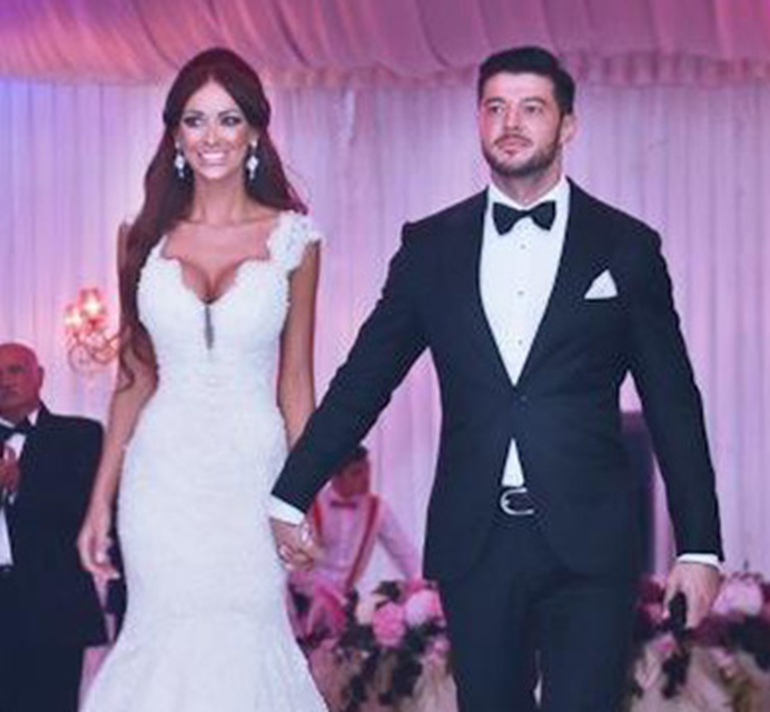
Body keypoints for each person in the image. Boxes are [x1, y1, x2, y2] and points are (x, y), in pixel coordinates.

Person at [269, 46, 724, 712]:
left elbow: (673, 403)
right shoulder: (430, 247)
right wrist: (291, 492)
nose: (511, 123)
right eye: (495, 108)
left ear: (567, 125)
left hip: (589, 540)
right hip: (477, 538)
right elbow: (362, 382)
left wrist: (700, 545)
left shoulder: (625, 248)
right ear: (479, 121)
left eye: (531, 108)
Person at [75, 47, 328, 711]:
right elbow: (133, 376)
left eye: (228, 119)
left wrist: (304, 495)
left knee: (247, 638)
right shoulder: (141, 239)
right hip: (161, 478)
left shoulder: (296, 240)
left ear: (254, 132)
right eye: (195, 120)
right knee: (162, 637)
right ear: (176, 135)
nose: (211, 136)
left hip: (254, 474)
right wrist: (99, 500)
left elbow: (296, 385)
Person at [0, 343, 106, 712]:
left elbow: (83, 510)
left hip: (53, 608)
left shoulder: (79, 436)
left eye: (15, 370)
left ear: (39, 376)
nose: (4, 381)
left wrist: (18, 485)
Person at [295, 445, 420, 594]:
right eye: (356, 473)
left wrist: (423, 585)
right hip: (308, 595)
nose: (366, 479)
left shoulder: (376, 509)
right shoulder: (312, 506)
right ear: (335, 477)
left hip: (347, 596)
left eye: (368, 471)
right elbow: (296, 557)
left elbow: (404, 552)